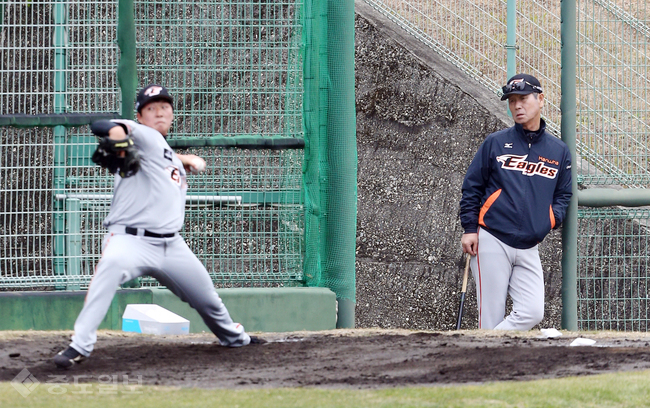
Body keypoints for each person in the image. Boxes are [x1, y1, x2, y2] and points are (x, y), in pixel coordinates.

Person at [54, 84, 263, 369]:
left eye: (165, 107)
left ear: (173, 114)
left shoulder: (161, 149)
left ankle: (235, 338)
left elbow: (162, 156)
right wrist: (118, 139)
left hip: (171, 245)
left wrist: (184, 159)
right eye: (151, 108)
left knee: (207, 298)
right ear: (140, 117)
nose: (159, 112)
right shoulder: (143, 134)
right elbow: (106, 126)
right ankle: (79, 346)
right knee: (107, 273)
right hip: (130, 240)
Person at [459, 74, 572, 330]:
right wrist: (469, 229)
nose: (517, 106)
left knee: (532, 312)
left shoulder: (558, 150)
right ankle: (488, 364)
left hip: (529, 244)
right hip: (492, 238)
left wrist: (548, 220)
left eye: (522, 99)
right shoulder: (496, 143)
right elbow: (472, 187)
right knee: (491, 316)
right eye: (512, 101)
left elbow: (563, 195)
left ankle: (482, 349)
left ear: (540, 99)